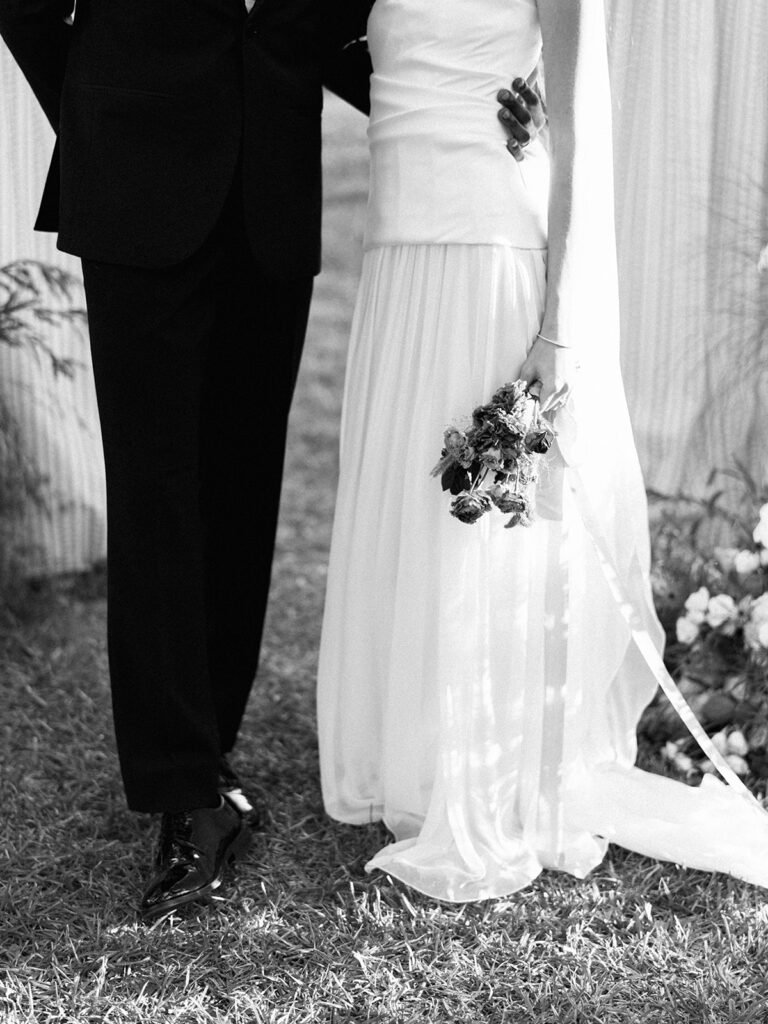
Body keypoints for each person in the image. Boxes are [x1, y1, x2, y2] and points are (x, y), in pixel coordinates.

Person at [0, 0, 540, 919]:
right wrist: (99, 110)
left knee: (245, 487)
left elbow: (323, 29)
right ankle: (183, 794)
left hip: (272, 193)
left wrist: (469, 97)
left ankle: (212, 742)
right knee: (156, 486)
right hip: (135, 172)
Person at [317, 0, 768, 900]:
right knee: (410, 509)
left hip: (492, 251)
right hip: (399, 256)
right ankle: (407, 751)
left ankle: (487, 766)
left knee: (481, 523)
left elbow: (583, 130)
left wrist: (557, 329)